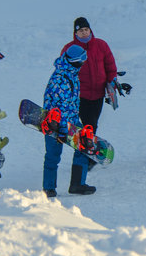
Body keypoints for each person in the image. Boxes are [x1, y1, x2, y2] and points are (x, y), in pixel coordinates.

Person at [60, 16, 130, 133]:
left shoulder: (101, 45)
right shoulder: (70, 49)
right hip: (80, 95)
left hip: (98, 94)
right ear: (76, 33)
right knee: (87, 124)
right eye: (81, 30)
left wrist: (112, 83)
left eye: (86, 29)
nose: (84, 32)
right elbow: (63, 70)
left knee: (93, 123)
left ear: (90, 30)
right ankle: (86, 145)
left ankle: (88, 144)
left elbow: (110, 66)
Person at [42, 43, 95, 197]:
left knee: (84, 148)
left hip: (71, 120)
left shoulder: (72, 73)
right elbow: (58, 107)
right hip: (55, 124)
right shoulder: (60, 79)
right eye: (82, 60)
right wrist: (61, 131)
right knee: (53, 155)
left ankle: (77, 184)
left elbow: (71, 104)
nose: (84, 63)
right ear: (75, 61)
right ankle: (48, 188)